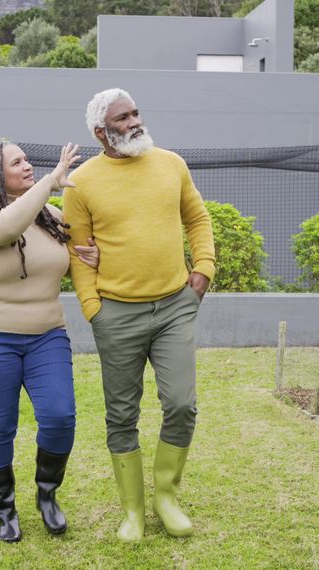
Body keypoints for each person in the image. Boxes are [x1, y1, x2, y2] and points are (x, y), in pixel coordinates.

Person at [62, 88, 216, 541]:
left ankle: (166, 498)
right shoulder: (81, 183)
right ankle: (132, 511)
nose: (134, 122)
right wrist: (93, 308)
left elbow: (197, 219)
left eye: (135, 113)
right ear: (101, 132)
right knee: (121, 414)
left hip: (174, 307)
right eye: (122, 118)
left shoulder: (172, 164)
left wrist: (203, 269)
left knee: (182, 404)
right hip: (115, 314)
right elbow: (77, 252)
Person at [0, 141, 96, 543]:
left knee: (60, 417)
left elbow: (78, 255)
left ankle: (47, 494)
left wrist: (93, 258)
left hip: (47, 337)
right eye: (17, 162)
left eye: (28, 160)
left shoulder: (50, 216)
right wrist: (51, 182)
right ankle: (3, 508)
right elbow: (7, 228)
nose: (28, 166)